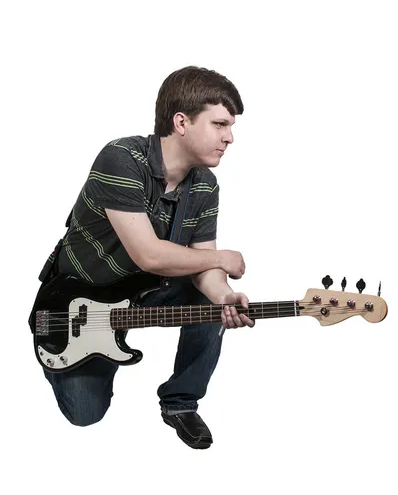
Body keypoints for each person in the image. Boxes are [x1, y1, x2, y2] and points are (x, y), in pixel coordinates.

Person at [35, 65, 255, 449]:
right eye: (220, 124)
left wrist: (223, 296)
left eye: (230, 127)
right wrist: (222, 257)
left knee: (210, 303)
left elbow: (204, 265)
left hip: (144, 291)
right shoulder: (122, 158)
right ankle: (88, 348)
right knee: (85, 415)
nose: (230, 137)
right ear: (181, 121)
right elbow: (150, 255)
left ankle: (180, 403)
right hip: (77, 301)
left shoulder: (205, 185)